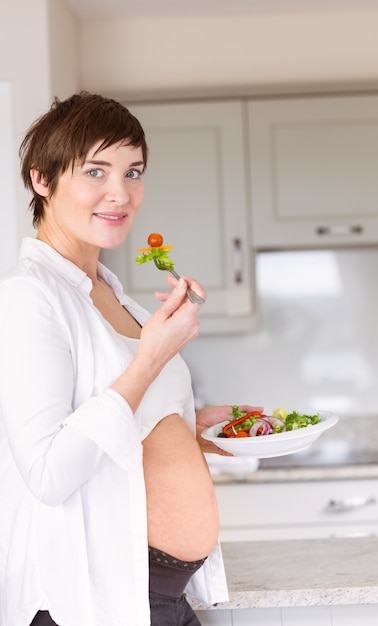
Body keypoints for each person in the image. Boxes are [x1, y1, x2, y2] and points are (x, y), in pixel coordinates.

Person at [0, 92, 262, 626]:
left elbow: (120, 433)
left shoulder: (121, 301)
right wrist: (151, 359)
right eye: (95, 171)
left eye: (133, 171)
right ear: (41, 181)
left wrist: (186, 435)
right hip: (92, 601)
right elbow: (50, 472)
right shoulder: (29, 298)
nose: (120, 193)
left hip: (160, 596)